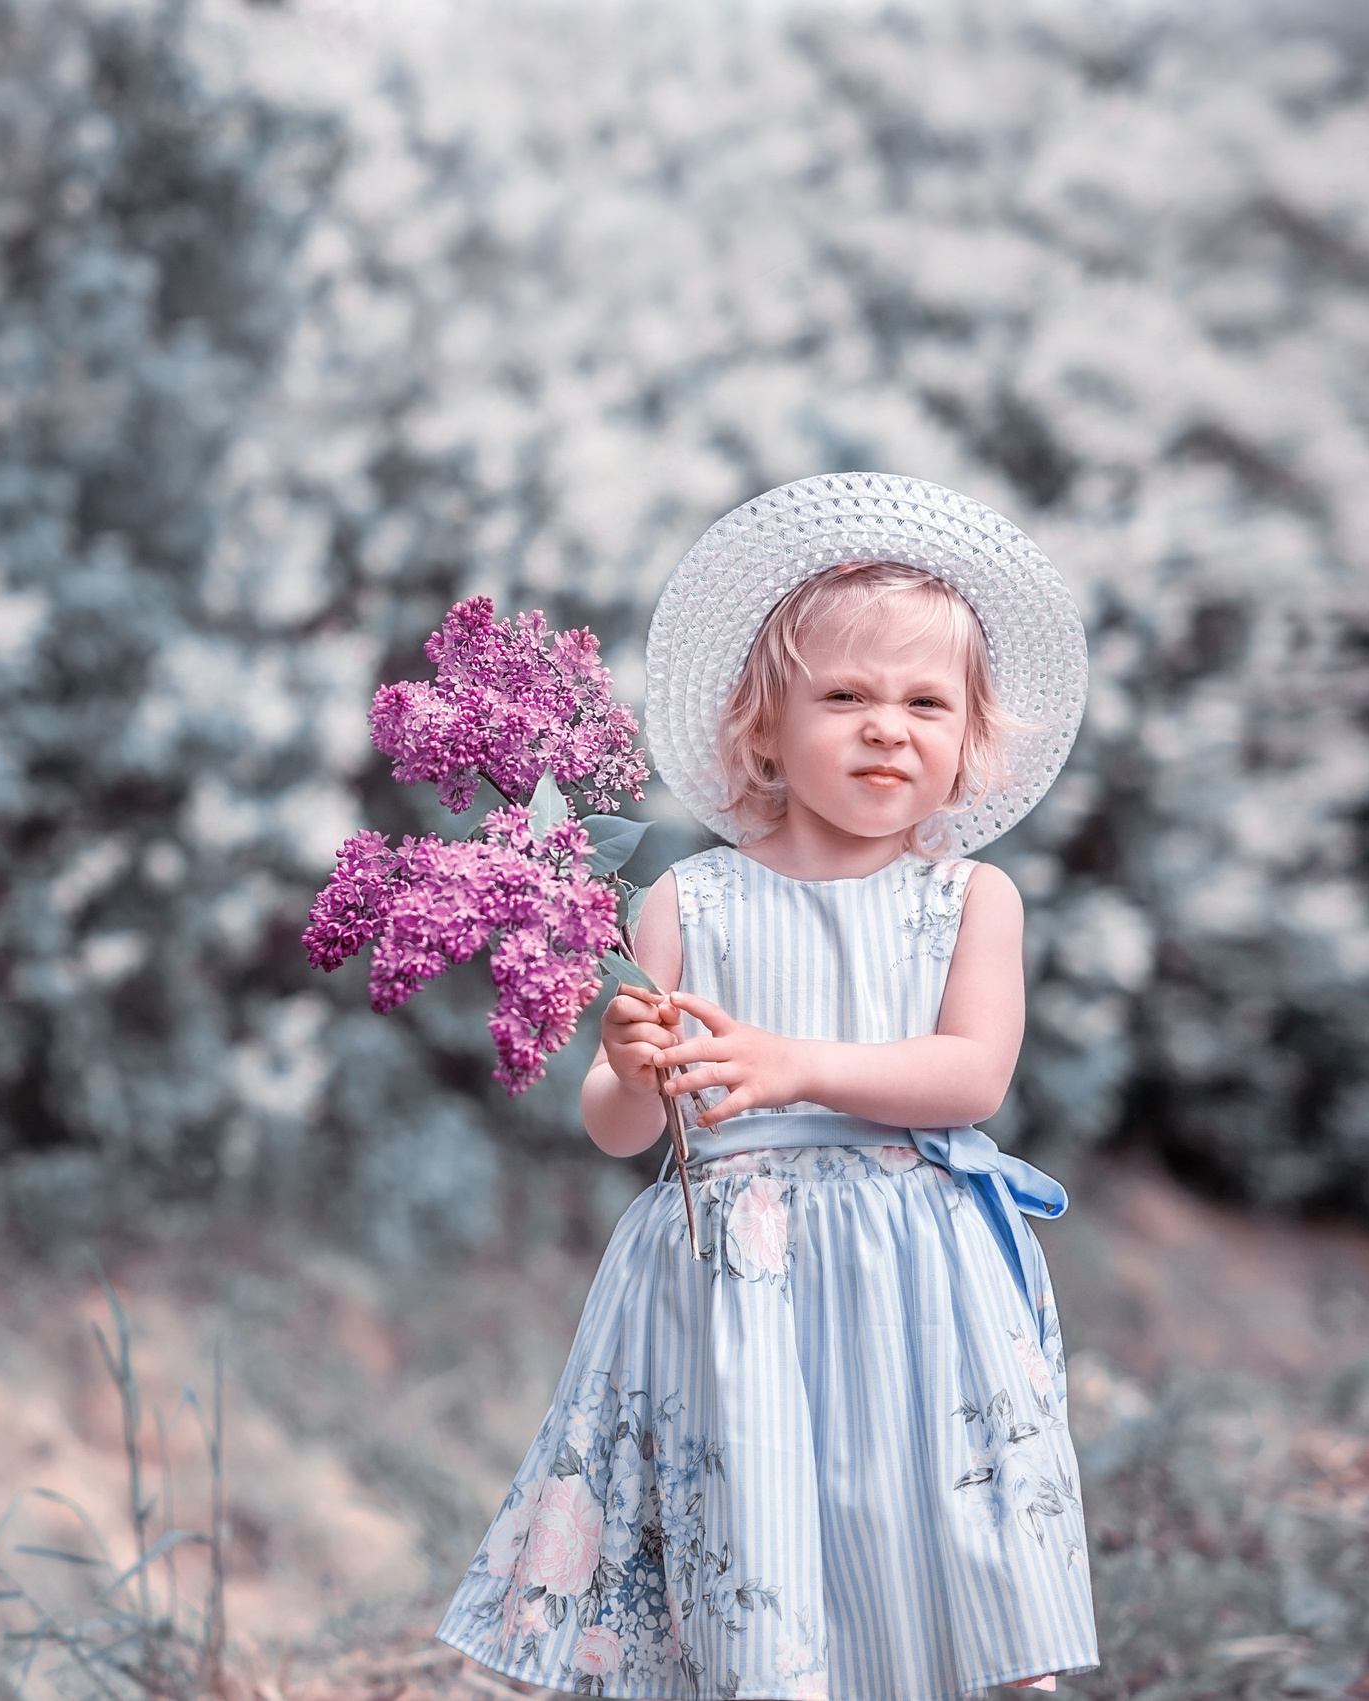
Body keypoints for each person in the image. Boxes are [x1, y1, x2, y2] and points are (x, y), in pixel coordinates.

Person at [433, 474, 1099, 1700]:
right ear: (763, 727)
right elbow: (619, 1126)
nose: (887, 726)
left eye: (924, 703)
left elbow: (971, 1076)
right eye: (844, 696)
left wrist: (793, 1064)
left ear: (967, 740)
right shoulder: (687, 901)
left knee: (928, 1525)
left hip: (913, 1269)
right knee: (760, 1523)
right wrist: (636, 1068)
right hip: (731, 1273)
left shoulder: (968, 901)